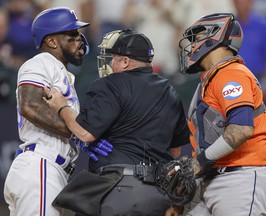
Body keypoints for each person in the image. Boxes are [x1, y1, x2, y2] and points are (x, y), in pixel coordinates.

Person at [44, 28, 190, 216]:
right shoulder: (171, 92)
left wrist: (62, 106)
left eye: (113, 58)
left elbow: (85, 133)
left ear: (126, 61)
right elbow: (175, 151)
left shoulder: (111, 84)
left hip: (120, 191)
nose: (111, 63)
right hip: (160, 194)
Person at [165, 13, 266, 216]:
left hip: (240, 178)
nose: (191, 46)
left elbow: (241, 129)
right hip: (215, 178)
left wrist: (198, 163)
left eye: (196, 38)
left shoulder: (231, 73)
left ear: (214, 36)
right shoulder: (210, 79)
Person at [3, 7, 112, 216]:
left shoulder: (60, 71)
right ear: (52, 41)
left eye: (79, 33)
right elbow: (29, 105)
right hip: (41, 167)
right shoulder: (41, 62)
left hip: (47, 170)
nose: (80, 39)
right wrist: (79, 134)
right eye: (72, 34)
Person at [233, 0, 266, 106]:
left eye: (245, 2)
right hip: (235, 82)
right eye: (238, 2)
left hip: (258, 81)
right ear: (234, 3)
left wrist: (265, 85)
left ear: (251, 2)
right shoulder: (229, 27)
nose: (242, 5)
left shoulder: (263, 25)